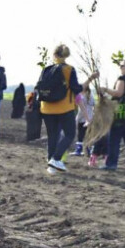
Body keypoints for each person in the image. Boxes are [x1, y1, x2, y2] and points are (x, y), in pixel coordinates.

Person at [38, 44, 85, 173]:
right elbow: (76, 89)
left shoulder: (46, 69)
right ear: (66, 55)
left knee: (52, 136)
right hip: (64, 107)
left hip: (47, 107)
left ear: (54, 55)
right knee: (70, 134)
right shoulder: (69, 69)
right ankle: (56, 158)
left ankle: (51, 166)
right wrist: (85, 85)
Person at [95, 58, 125, 171]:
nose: (120, 67)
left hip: (121, 111)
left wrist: (105, 89)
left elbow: (118, 93)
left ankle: (111, 164)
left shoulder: (123, 78)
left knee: (114, 138)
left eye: (122, 65)